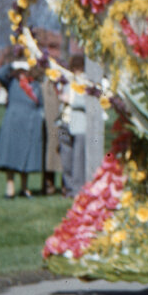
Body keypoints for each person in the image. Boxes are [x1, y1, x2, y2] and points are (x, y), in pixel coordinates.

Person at [0, 60, 45, 199]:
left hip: (30, 124)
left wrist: (39, 120)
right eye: (21, 70)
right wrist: (11, 64)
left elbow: (40, 105)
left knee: (26, 157)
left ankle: (24, 188)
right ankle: (10, 189)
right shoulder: (12, 82)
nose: (24, 73)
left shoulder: (35, 85)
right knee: (10, 156)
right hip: (13, 124)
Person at [59, 55, 87, 197]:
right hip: (64, 123)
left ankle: (77, 190)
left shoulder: (86, 83)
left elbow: (89, 104)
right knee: (66, 159)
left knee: (78, 160)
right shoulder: (68, 81)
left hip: (80, 126)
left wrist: (71, 100)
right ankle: (69, 187)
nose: (76, 71)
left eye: (78, 68)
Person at [42, 77, 63, 195]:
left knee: (66, 147)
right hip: (50, 118)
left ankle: (66, 184)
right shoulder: (45, 84)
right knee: (51, 147)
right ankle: (49, 183)